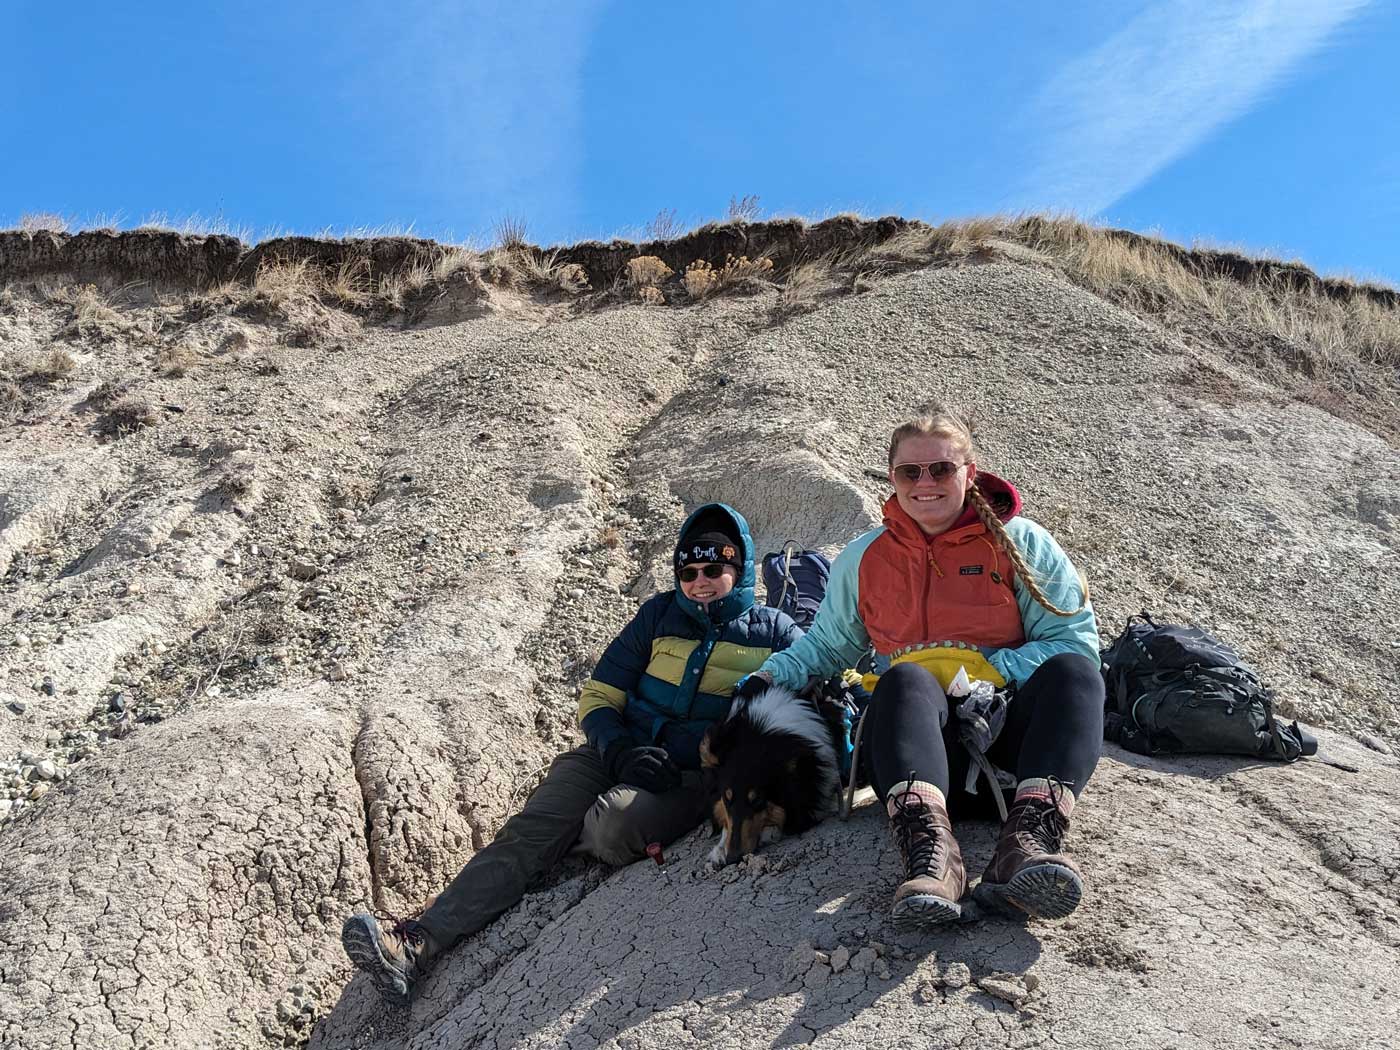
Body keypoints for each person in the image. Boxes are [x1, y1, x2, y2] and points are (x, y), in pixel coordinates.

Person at [341, 502, 802, 1003]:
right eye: (688, 572)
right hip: (615, 752)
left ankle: (560, 847)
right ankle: (413, 944)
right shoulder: (656, 615)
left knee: (611, 827)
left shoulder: (775, 633)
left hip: (690, 778)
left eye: (714, 570)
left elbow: (800, 700)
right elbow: (599, 696)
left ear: (740, 568)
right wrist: (618, 747)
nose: (700, 582)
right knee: (529, 830)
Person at [736, 405, 1104, 925]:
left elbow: (1073, 641)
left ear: (969, 474)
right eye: (911, 471)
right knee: (904, 678)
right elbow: (827, 646)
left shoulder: (1023, 544)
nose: (925, 483)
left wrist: (988, 674)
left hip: (1009, 748)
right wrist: (770, 676)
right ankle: (933, 859)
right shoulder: (865, 558)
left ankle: (1026, 844)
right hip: (919, 753)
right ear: (892, 477)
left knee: (1077, 673)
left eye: (941, 469)